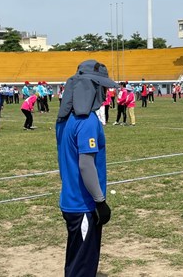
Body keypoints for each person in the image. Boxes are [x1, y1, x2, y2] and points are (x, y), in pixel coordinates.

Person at [56, 60, 116, 277]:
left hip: (69, 201)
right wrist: (100, 201)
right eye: (102, 88)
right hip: (84, 205)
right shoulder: (88, 121)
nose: (105, 94)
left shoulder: (63, 119)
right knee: (82, 266)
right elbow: (85, 164)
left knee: (75, 260)